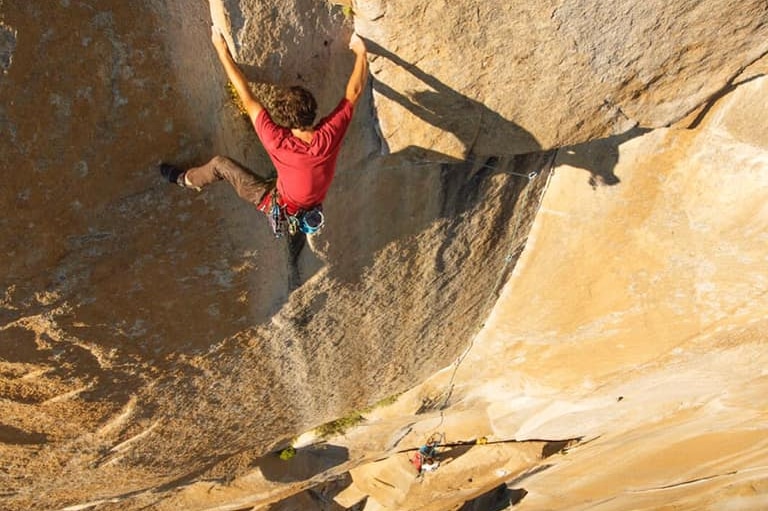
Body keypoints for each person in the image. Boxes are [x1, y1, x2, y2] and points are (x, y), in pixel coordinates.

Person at [160, 26, 368, 236]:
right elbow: (354, 92)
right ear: (313, 109)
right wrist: (361, 52)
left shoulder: (276, 140)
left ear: (282, 122)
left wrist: (222, 52)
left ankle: (186, 180)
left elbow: (247, 97)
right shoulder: (328, 136)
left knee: (219, 165)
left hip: (274, 203)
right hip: (305, 206)